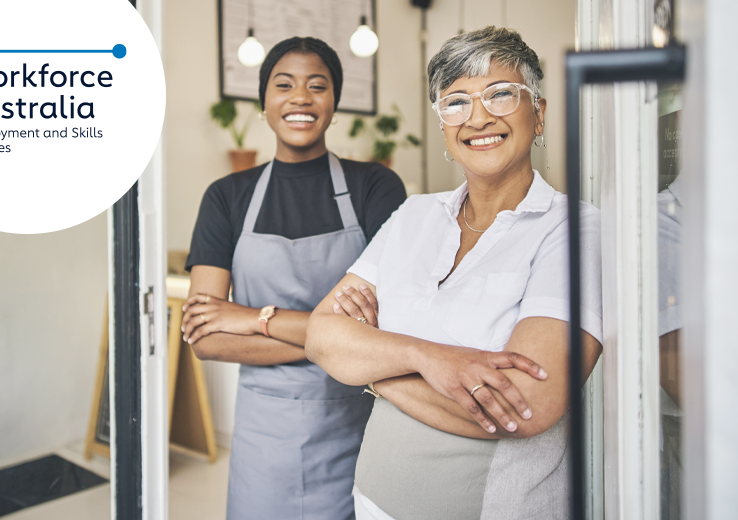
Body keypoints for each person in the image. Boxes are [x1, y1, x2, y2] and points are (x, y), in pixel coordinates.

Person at [306, 26, 604, 519]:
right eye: (457, 101)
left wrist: (375, 367)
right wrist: (429, 358)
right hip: (373, 502)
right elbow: (321, 334)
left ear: (540, 114)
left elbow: (527, 403)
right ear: (444, 125)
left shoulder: (576, 230)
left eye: (501, 94)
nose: (479, 116)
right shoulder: (412, 217)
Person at [180, 37, 407, 520]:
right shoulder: (227, 196)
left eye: (317, 86)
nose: (300, 97)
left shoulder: (375, 187)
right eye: (284, 85)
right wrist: (340, 339)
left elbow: (385, 325)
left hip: (357, 426)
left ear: (334, 103)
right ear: (264, 102)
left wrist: (251, 318)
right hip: (265, 445)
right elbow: (205, 338)